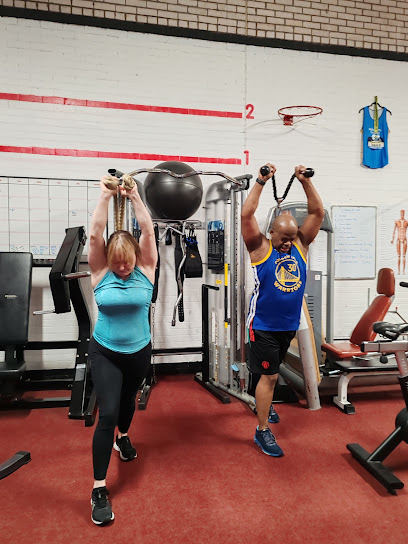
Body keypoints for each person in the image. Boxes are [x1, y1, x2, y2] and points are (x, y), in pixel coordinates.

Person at [88, 174, 157, 525]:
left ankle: (124, 438)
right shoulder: (101, 272)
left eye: (126, 260)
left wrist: (134, 197)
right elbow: (95, 236)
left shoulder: (146, 268)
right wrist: (105, 196)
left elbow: (147, 231)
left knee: (129, 400)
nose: (122, 267)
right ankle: (99, 488)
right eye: (116, 261)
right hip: (106, 351)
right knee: (109, 412)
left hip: (139, 351)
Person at [241, 163, 324, 457]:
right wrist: (261, 182)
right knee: (271, 377)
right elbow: (246, 215)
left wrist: (304, 182)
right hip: (263, 325)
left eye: (291, 237)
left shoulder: (300, 245)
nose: (288, 243)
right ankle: (262, 430)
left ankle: (262, 402)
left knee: (269, 373)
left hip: (288, 325)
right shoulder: (259, 248)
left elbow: (317, 213)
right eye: (283, 238)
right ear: (272, 232)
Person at [391, 210, 408, 275]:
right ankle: (398, 271)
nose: (402, 214)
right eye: (401, 213)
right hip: (398, 238)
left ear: (404, 214)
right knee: (398, 256)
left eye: (403, 213)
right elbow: (394, 231)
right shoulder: (397, 222)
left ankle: (403, 271)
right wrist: (392, 239)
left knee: (404, 256)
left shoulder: (406, 222)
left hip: (404, 239)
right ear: (400, 213)